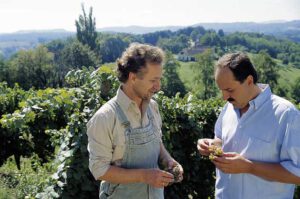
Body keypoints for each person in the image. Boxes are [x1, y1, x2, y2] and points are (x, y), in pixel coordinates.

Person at [197, 52, 300, 199]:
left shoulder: (287, 115)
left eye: (229, 90)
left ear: (249, 81)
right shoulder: (228, 108)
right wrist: (212, 145)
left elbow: (297, 174)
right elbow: (221, 140)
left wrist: (249, 167)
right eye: (221, 90)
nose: (224, 97)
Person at [87, 43, 183, 199]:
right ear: (133, 77)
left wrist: (168, 160)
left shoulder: (153, 107)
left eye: (159, 80)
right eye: (153, 80)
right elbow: (99, 170)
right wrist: (145, 176)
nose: (158, 87)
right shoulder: (105, 117)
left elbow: (156, 141)